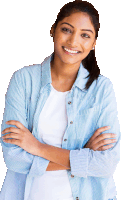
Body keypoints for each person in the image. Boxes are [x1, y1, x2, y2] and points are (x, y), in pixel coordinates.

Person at [0, 0, 120, 200]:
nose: (73, 42)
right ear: (53, 30)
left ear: (93, 44)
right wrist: (83, 154)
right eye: (67, 29)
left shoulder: (102, 88)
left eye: (85, 35)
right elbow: (13, 158)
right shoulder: (23, 79)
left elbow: (106, 164)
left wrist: (37, 147)